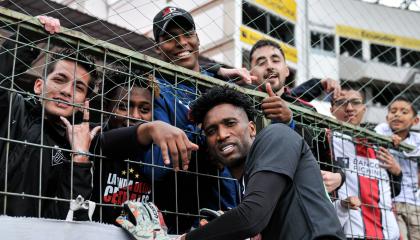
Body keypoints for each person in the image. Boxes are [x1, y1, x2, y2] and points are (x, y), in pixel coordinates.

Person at [161, 85, 343, 239]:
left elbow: (251, 218)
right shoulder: (248, 181)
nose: (222, 135)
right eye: (211, 131)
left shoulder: (276, 135)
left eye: (230, 123)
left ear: (252, 129)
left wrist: (186, 238)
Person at [0, 16, 99, 219]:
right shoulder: (13, 108)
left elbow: (70, 216)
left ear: (83, 103)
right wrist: (28, 34)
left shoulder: (78, 143)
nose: (66, 91)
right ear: (38, 86)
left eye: (78, 87)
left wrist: (80, 158)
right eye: (59, 79)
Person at [249, 39, 345, 193]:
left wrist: (340, 176)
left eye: (275, 60)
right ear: (251, 73)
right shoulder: (242, 106)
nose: (269, 66)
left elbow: (326, 159)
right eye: (261, 62)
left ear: (286, 70)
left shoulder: (307, 110)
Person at [330, 88, 402, 239]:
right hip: (349, 231)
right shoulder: (325, 139)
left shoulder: (378, 143)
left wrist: (397, 173)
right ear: (332, 109)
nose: (349, 108)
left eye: (355, 103)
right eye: (342, 103)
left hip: (386, 234)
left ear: (364, 108)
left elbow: (392, 192)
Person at [375, 97, 420, 240]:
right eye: (393, 111)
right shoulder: (381, 130)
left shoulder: (417, 138)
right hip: (391, 199)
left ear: (415, 121)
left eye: (404, 112)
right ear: (387, 117)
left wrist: (402, 145)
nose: (397, 114)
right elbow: (377, 140)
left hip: (415, 202)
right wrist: (390, 140)